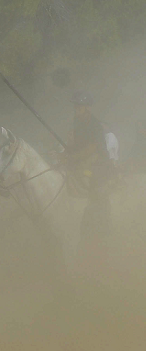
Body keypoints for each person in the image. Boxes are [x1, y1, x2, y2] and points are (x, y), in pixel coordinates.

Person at [65, 91, 113, 261]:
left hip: (98, 161)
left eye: (79, 106)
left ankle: (101, 221)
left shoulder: (94, 124)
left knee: (97, 190)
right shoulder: (76, 122)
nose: (76, 108)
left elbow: (92, 148)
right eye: (75, 106)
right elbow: (77, 145)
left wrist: (74, 157)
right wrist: (66, 151)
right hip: (81, 160)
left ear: (87, 107)